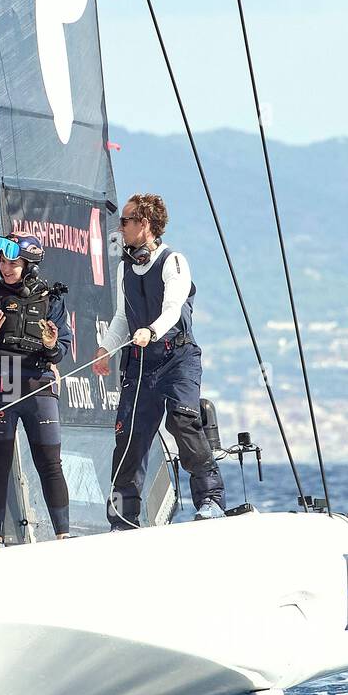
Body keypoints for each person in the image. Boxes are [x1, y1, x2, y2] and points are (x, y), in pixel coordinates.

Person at [93, 193, 225, 526]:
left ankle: (210, 499)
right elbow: (123, 316)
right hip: (140, 364)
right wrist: (106, 348)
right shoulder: (126, 266)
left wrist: (151, 331)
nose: (119, 228)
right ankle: (124, 518)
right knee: (129, 437)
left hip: (177, 358)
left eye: (125, 221)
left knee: (182, 421)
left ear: (145, 224)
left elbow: (173, 308)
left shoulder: (173, 261)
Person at [0, 233, 73, 547]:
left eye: (13, 262)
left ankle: (63, 535)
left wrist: (52, 345)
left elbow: (62, 348)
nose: (6, 267)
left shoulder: (52, 299)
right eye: (2, 261)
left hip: (38, 386)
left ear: (30, 264)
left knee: (50, 461)